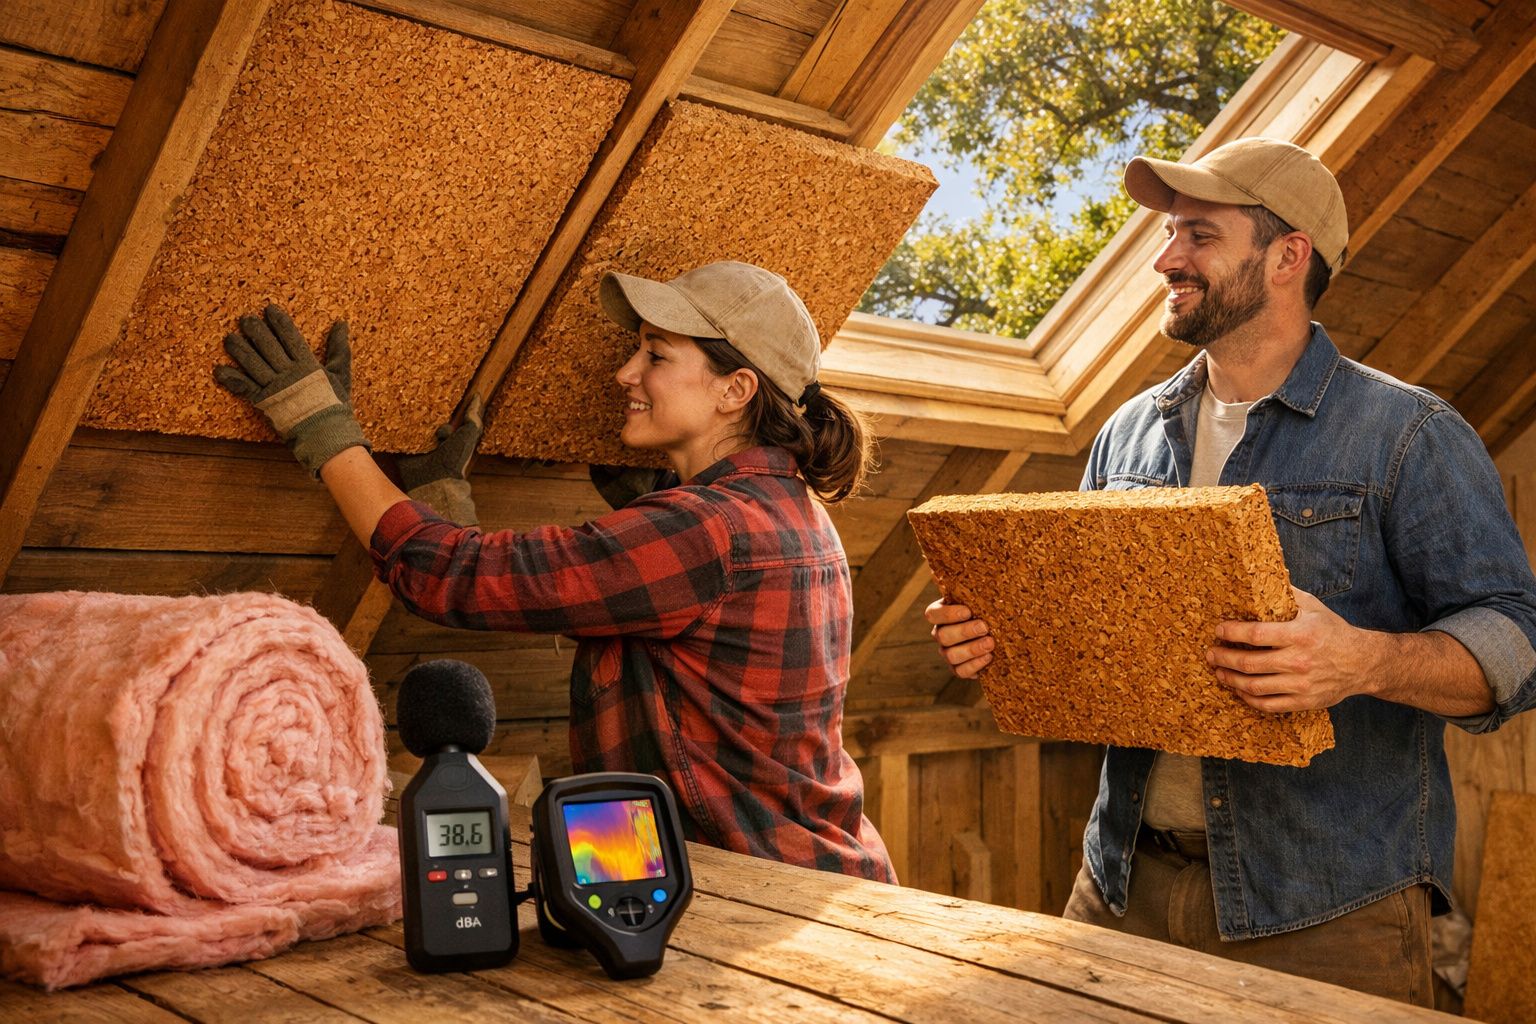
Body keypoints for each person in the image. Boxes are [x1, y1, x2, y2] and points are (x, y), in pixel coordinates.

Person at [925, 137, 1536, 1004]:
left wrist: (1361, 660)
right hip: (1120, 887)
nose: (1165, 259)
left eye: (1199, 235)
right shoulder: (1126, 434)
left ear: (1288, 256)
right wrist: (1004, 637)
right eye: (1169, 233)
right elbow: (1096, 641)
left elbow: (1519, 641)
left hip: (1329, 911)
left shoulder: (1408, 434)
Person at [213, 260, 896, 883]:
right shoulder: (787, 507)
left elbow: (454, 577)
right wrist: (445, 502)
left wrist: (323, 429)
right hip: (797, 874)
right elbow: (599, 599)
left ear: (736, 390)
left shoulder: (708, 529)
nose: (625, 374)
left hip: (747, 887)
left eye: (655, 355)